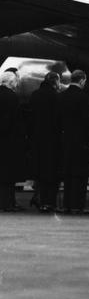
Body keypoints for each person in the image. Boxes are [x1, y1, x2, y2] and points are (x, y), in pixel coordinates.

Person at [59, 70, 89, 214]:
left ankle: (66, 204)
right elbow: (87, 122)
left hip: (65, 141)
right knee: (80, 176)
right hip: (80, 142)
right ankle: (78, 205)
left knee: (67, 175)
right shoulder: (84, 98)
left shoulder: (61, 97)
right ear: (82, 80)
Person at [29, 71, 62, 213]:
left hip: (36, 139)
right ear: (55, 81)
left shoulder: (35, 95)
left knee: (40, 171)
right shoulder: (55, 96)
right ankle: (49, 202)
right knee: (51, 172)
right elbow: (57, 119)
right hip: (52, 140)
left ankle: (38, 198)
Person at [0, 71, 27, 211]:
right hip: (9, 141)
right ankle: (8, 203)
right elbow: (15, 122)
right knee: (8, 177)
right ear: (11, 82)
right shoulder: (12, 97)